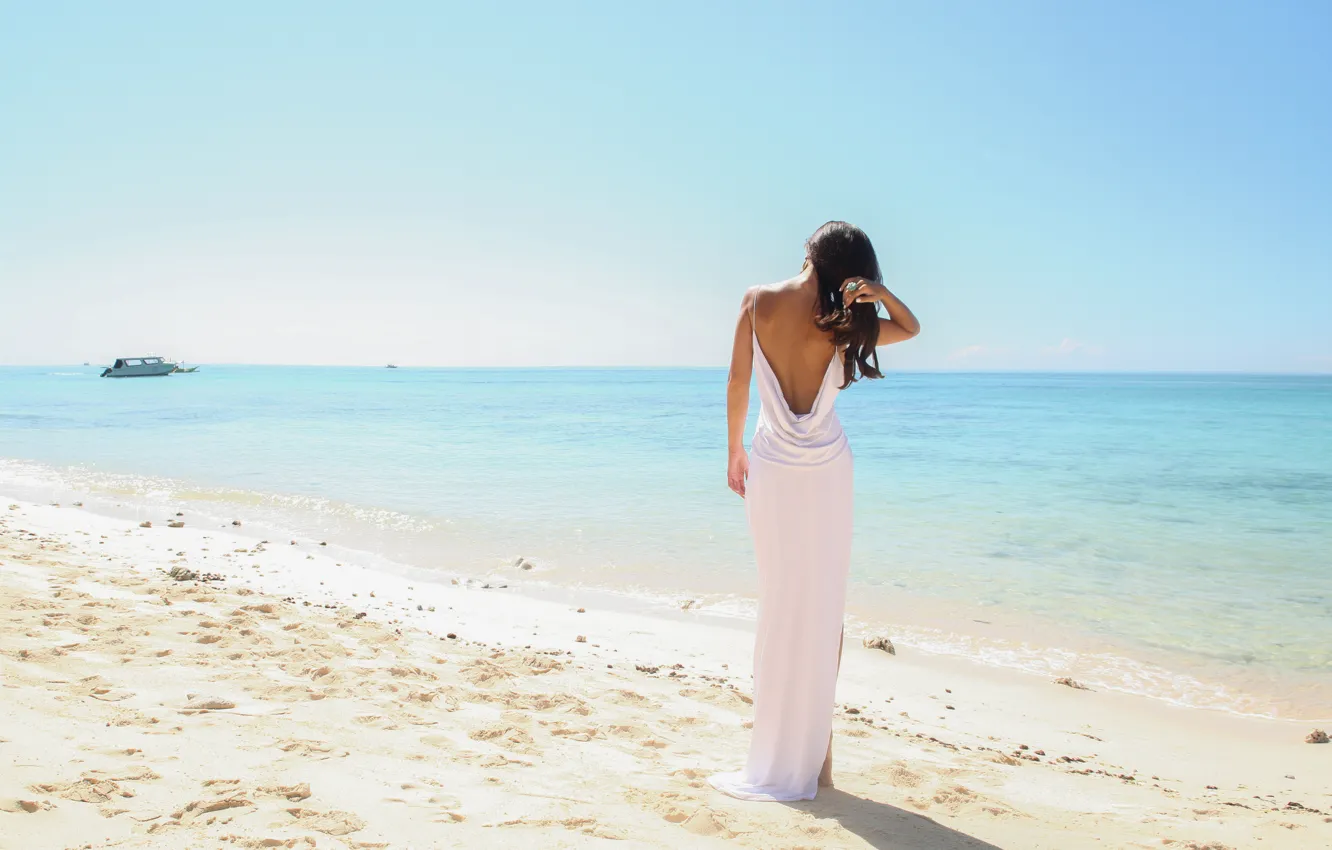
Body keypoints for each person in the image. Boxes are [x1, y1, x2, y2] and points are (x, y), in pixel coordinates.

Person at [709, 221, 920, 802]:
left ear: (808, 252)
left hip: (773, 466)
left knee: (782, 604)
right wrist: (877, 297)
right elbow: (911, 327)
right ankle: (819, 764)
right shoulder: (847, 322)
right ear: (851, 272)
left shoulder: (758, 302)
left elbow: (738, 380)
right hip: (829, 469)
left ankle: (781, 750)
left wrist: (734, 451)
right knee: (825, 607)